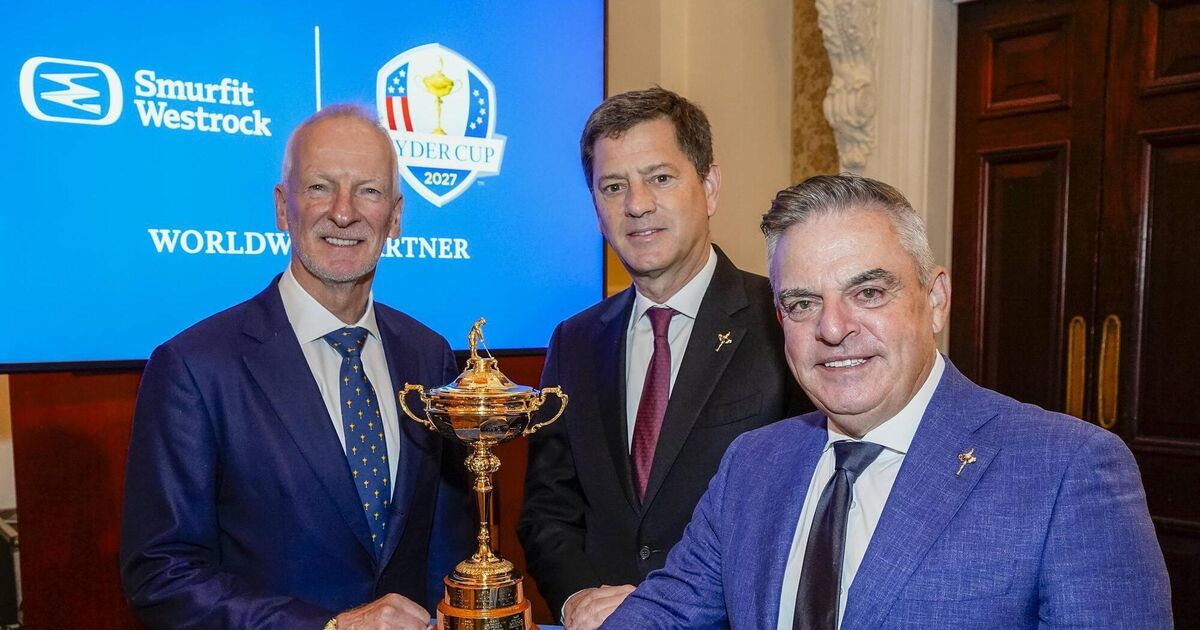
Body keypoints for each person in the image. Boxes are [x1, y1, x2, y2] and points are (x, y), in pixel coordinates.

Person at [601, 174, 1172, 629]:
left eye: (868, 292)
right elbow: (667, 614)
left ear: (936, 299)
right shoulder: (752, 463)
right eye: (802, 304)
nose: (832, 328)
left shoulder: (1067, 471)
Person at [119, 104, 472, 630]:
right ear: (283, 208)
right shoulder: (195, 368)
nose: (344, 213)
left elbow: (447, 547)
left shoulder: (429, 355)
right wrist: (330, 627)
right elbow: (162, 576)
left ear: (396, 217)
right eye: (319, 187)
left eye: (369, 190)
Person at [517, 87, 810, 630]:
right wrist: (576, 598)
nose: (637, 204)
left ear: (710, 186)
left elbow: (807, 515)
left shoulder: (784, 322)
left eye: (660, 178)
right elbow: (548, 511)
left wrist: (667, 612)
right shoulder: (574, 342)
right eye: (613, 186)